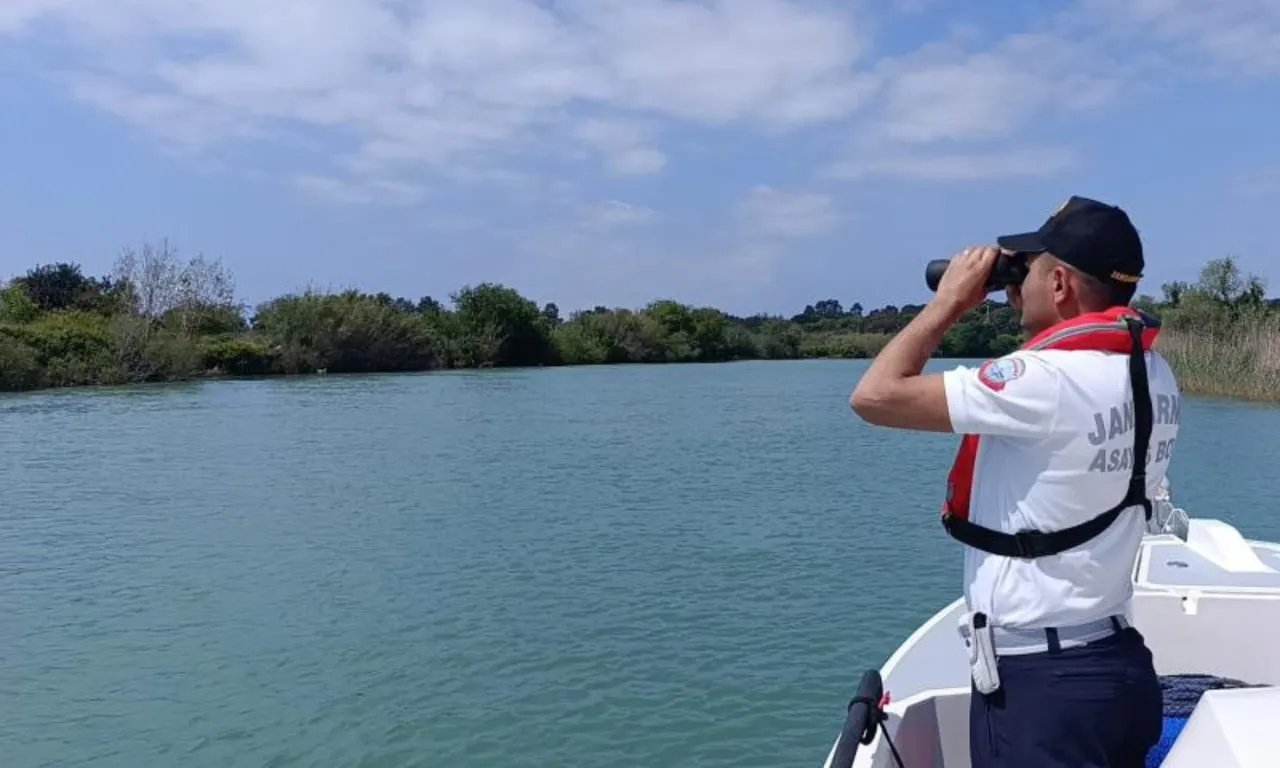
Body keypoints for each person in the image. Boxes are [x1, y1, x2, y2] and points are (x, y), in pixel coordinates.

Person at [848, 195, 1181, 767]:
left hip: (1043, 688)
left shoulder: (1044, 381)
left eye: (1023, 273)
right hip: (1114, 665)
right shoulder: (1153, 372)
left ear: (1058, 284)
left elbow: (874, 396)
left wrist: (951, 302)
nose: (1012, 288)